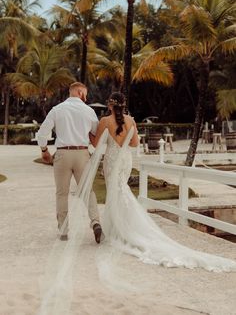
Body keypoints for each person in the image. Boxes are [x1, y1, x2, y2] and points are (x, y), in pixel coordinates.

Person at [90, 91, 236, 272]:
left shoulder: (104, 121)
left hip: (112, 159)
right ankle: (123, 227)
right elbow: (134, 144)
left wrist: (89, 135)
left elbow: (96, 144)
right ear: (123, 104)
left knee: (115, 190)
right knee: (122, 189)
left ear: (110, 105)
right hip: (125, 159)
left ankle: (118, 230)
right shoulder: (131, 120)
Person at [37, 82, 103, 243]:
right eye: (85, 93)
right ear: (80, 92)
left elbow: (42, 133)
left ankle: (64, 230)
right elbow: (96, 135)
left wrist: (44, 150)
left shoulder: (57, 109)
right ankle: (95, 222)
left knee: (62, 193)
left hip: (62, 154)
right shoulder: (89, 111)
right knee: (88, 191)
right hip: (82, 153)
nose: (86, 97)